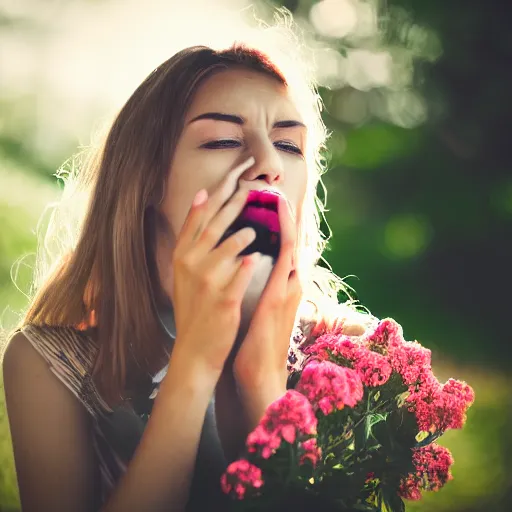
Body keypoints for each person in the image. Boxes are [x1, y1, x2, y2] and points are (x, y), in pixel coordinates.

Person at [1, 32, 376, 512]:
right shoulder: (47, 363)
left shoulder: (348, 350)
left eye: (289, 144)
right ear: (146, 179)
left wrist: (264, 385)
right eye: (223, 139)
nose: (268, 165)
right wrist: (194, 365)